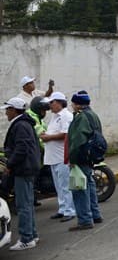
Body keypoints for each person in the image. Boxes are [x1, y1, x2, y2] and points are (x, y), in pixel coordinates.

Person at [2, 97, 40, 250]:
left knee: (23, 205)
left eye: (8, 110)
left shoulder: (20, 125)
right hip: (27, 168)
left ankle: (26, 238)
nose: (6, 113)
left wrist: (9, 165)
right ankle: (32, 234)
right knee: (27, 204)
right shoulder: (24, 123)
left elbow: (21, 148)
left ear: (14, 110)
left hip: (23, 169)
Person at [67, 91, 103, 230]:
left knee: (79, 188)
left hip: (82, 157)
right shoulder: (93, 115)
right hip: (91, 155)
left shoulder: (81, 117)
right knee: (90, 184)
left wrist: (73, 159)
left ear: (77, 104)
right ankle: (95, 214)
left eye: (73, 103)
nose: (72, 105)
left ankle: (85, 220)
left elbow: (77, 140)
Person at [40, 92, 76, 222]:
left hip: (62, 157)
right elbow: (55, 132)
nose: (50, 105)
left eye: (52, 102)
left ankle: (70, 210)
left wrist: (48, 137)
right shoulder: (55, 117)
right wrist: (46, 134)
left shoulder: (66, 116)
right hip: (53, 157)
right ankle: (62, 208)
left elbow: (65, 135)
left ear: (59, 102)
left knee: (65, 185)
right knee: (58, 186)